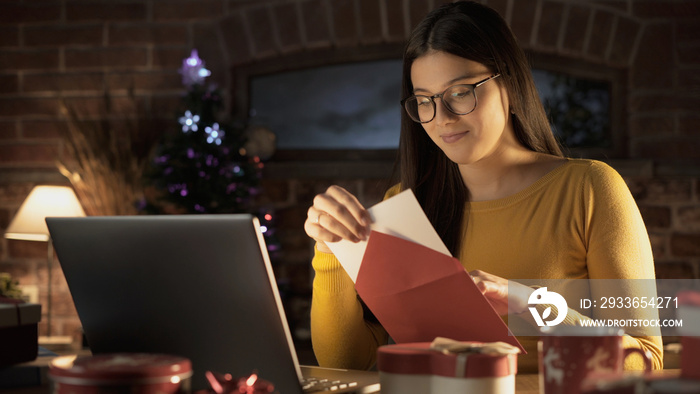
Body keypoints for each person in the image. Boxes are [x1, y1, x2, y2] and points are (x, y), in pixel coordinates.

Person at [303, 0, 662, 373]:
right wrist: (330, 250)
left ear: (508, 82)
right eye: (424, 101)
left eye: (459, 92)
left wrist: (529, 303)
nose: (441, 119)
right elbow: (348, 364)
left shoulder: (588, 189)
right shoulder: (406, 206)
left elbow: (644, 360)